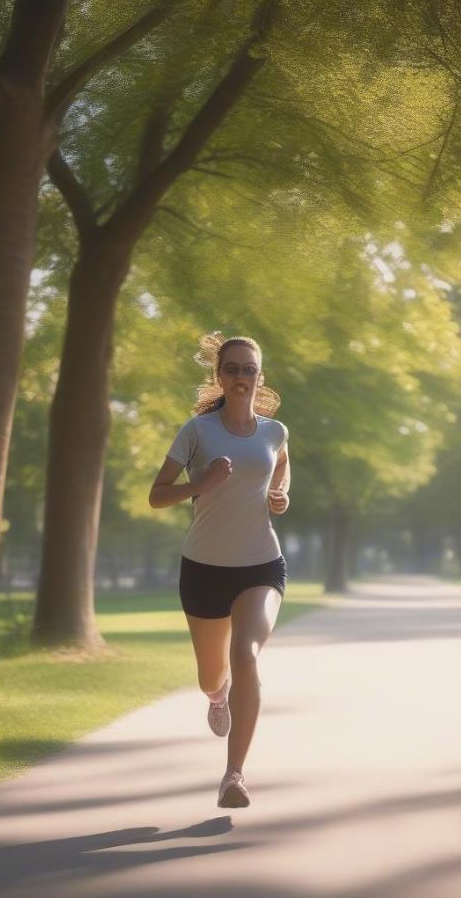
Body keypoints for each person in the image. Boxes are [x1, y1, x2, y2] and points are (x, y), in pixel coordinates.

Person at [149, 332, 290, 808]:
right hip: (204, 569)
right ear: (219, 375)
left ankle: (234, 776)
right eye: (232, 368)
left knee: (245, 655)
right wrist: (202, 482)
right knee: (213, 676)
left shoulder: (275, 432)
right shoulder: (198, 432)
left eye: (249, 369)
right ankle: (216, 696)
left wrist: (280, 492)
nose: (241, 377)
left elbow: (282, 464)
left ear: (259, 376)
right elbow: (157, 494)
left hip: (261, 565)